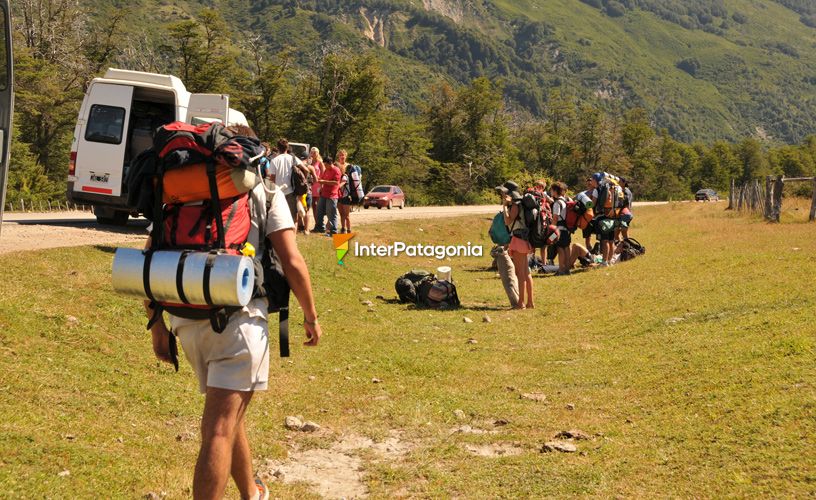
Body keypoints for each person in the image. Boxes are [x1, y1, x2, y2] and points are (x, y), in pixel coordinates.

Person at [144, 130, 322, 500]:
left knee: (227, 413)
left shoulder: (182, 192)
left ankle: (251, 492)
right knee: (219, 429)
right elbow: (291, 261)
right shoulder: (265, 192)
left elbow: (151, 258)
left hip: (185, 319)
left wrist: (156, 325)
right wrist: (310, 314)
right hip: (238, 322)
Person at [502, 181, 534, 309]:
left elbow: (507, 221)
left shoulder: (515, 205)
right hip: (523, 240)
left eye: (504, 192)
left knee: (520, 274)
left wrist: (505, 206)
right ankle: (530, 302)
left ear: (509, 193)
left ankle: (521, 303)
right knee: (526, 273)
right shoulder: (519, 204)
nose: (502, 194)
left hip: (519, 240)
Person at [267, 138, 303, 220]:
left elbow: (272, 179)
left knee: (279, 217)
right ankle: (293, 232)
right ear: (287, 148)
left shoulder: (274, 160)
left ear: (278, 148)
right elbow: (306, 169)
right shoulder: (293, 158)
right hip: (291, 191)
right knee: (293, 217)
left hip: (278, 192)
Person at [313, 155, 341, 236]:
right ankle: (320, 227)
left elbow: (336, 183)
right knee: (319, 210)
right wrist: (320, 182)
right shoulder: (326, 170)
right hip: (324, 194)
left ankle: (333, 231)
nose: (324, 166)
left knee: (331, 213)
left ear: (329, 163)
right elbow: (322, 179)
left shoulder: (336, 170)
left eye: (325, 165)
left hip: (332, 195)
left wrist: (323, 181)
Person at [550, 181, 571, 276]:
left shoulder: (557, 203)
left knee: (560, 248)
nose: (550, 191)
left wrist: (551, 230)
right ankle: (567, 268)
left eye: (551, 189)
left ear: (555, 191)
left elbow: (555, 217)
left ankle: (561, 269)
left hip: (559, 229)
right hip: (566, 229)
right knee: (566, 248)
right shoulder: (565, 200)